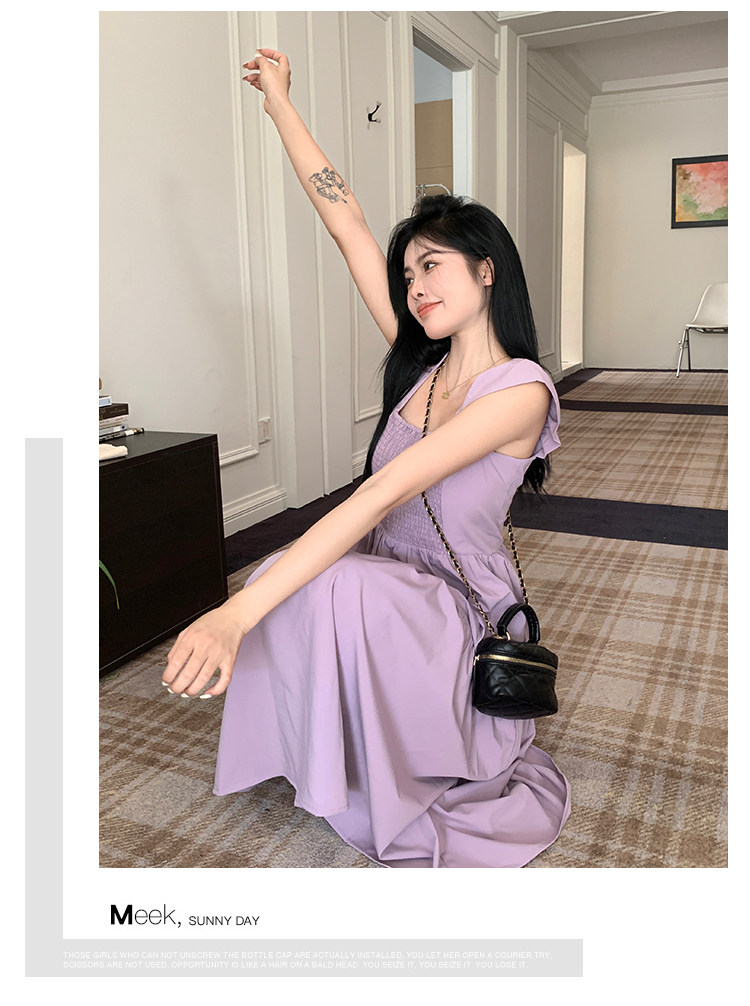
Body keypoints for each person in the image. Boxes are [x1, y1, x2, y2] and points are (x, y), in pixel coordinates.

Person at [162, 48, 570, 868]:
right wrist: (280, 103)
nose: (415, 285)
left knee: (320, 583)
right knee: (284, 573)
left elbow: (381, 494)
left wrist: (234, 616)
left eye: (433, 266)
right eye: (408, 273)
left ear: (486, 270)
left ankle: (425, 748)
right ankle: (335, 748)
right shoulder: (421, 364)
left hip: (457, 609)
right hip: (394, 584)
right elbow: (345, 219)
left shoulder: (521, 391)